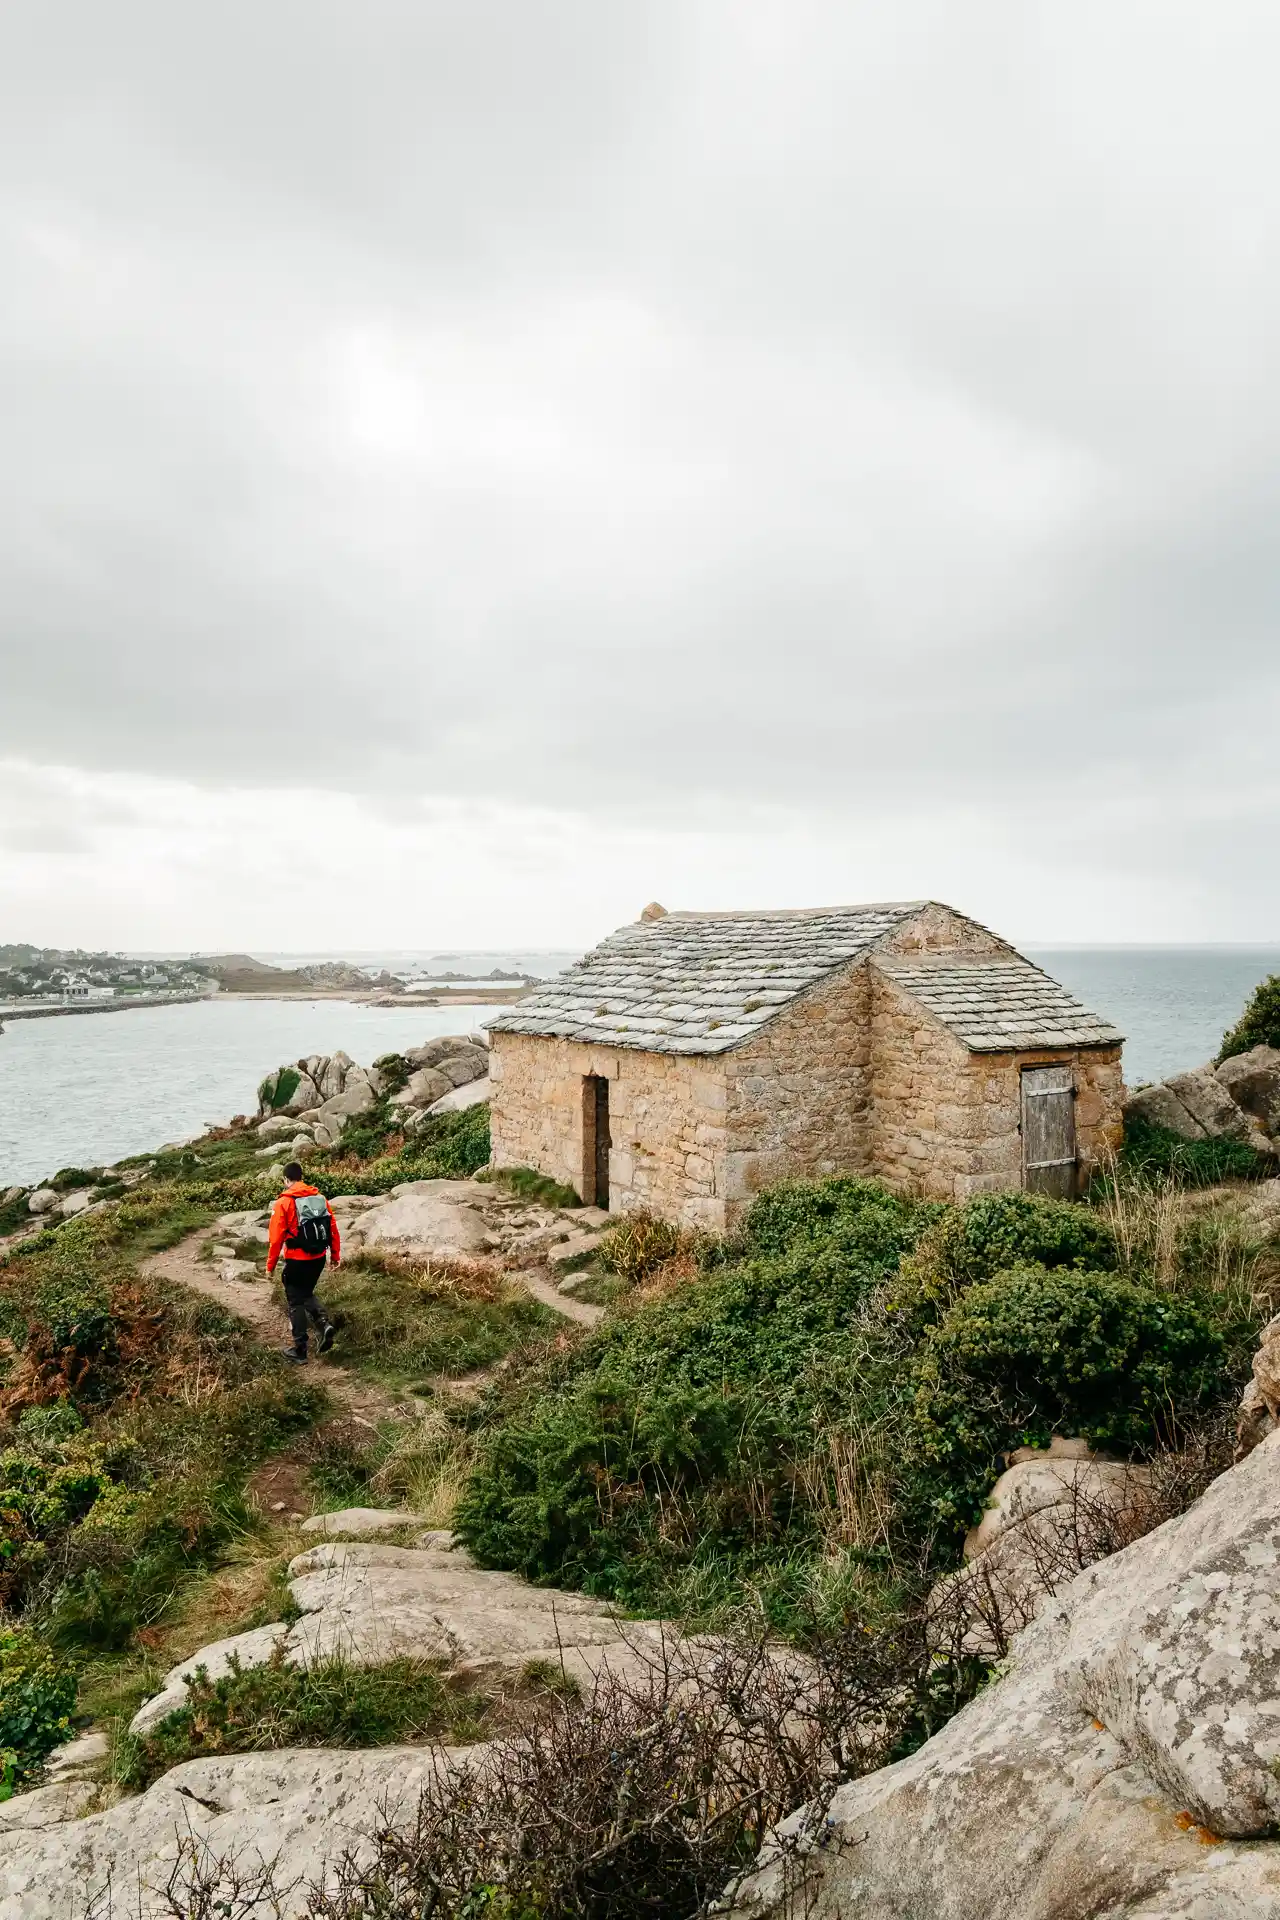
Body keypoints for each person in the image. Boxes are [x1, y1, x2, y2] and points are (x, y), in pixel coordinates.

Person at [266, 1162, 340, 1363]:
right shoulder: (320, 1198)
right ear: (301, 1177)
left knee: (295, 1300)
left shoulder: (283, 1203)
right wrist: (335, 1256)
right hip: (318, 1258)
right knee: (305, 1292)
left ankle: (300, 1350)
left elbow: (275, 1239)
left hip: (297, 1260)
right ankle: (324, 1324)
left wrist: (270, 1266)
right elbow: (332, 1229)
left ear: (286, 1180)